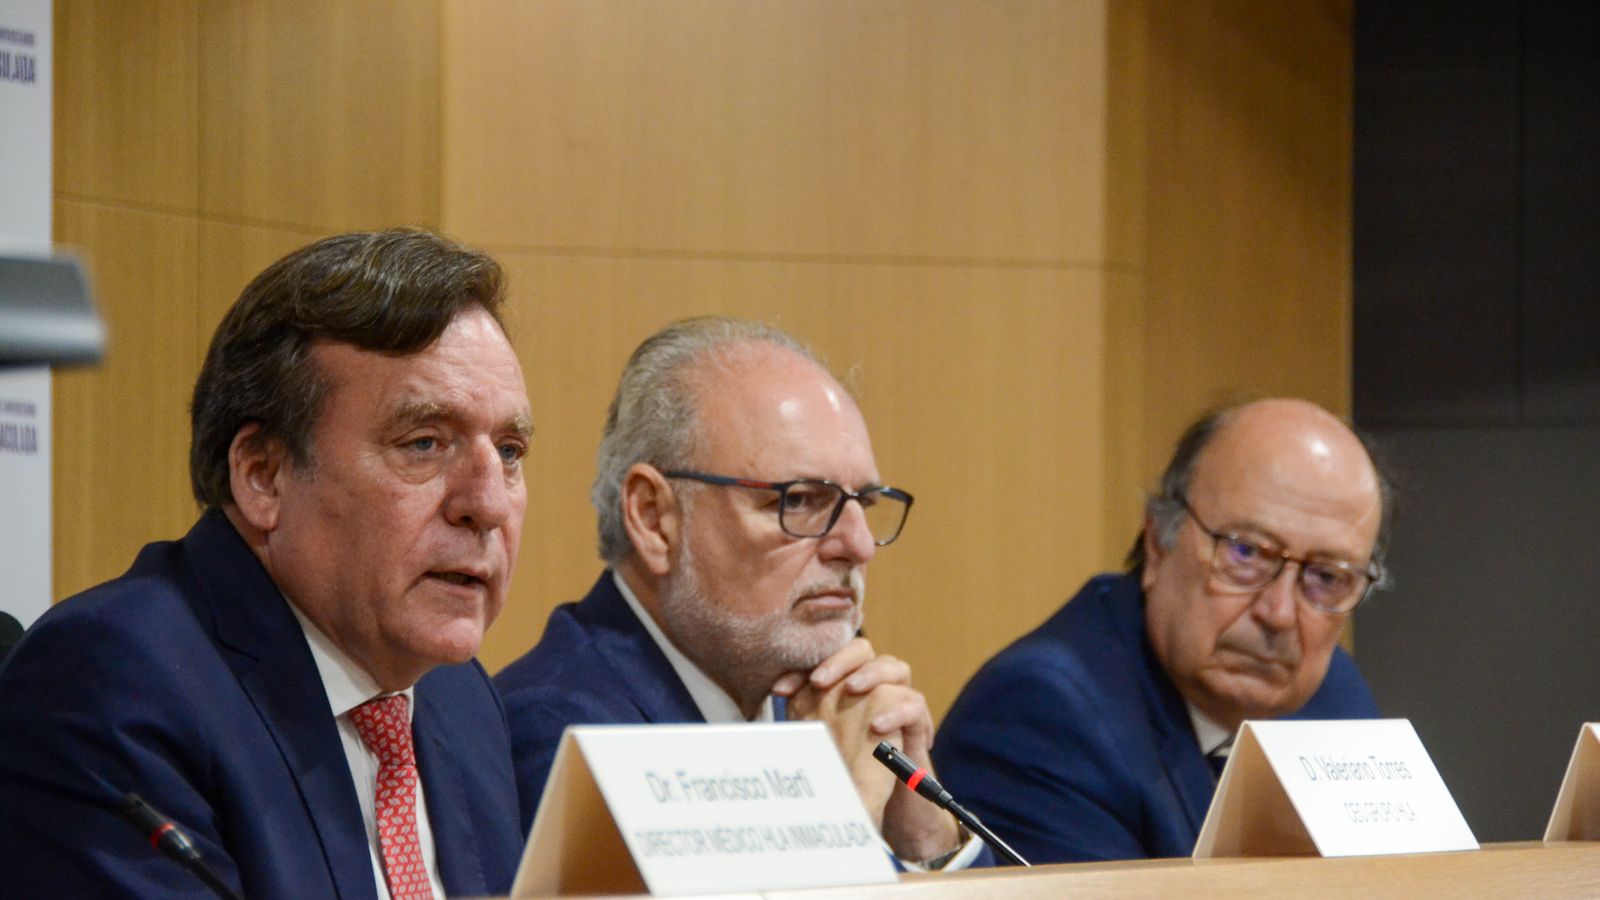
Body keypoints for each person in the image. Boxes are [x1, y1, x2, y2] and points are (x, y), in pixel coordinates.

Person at [0, 229, 532, 898]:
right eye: (424, 443)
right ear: (263, 476)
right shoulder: (113, 684)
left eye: (509, 452)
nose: (486, 503)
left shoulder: (459, 701)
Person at [495, 316, 984, 870]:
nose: (857, 545)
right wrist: (835, 816)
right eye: (799, 500)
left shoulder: (815, 706)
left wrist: (930, 842)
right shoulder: (562, 735)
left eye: (865, 503)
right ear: (655, 518)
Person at [933, 399, 1387, 864]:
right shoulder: (1041, 715)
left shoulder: (1334, 698)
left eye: (1327, 577)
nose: (1280, 614)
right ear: (1157, 543)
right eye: (1247, 553)